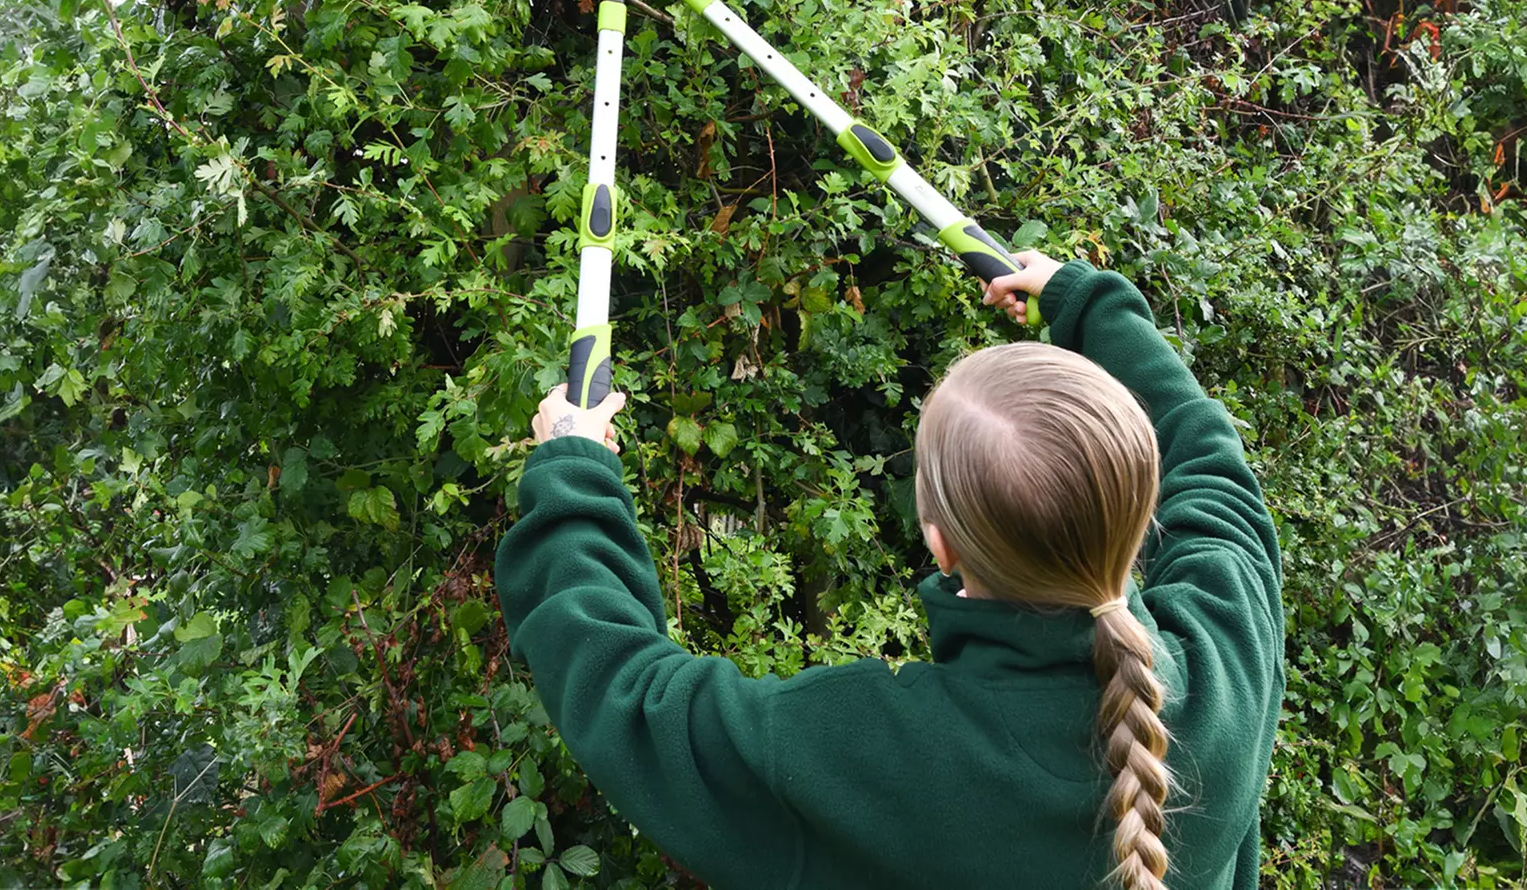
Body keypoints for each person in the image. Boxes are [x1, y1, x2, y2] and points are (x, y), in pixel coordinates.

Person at [495, 252, 1284, 889]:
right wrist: (1086, 303)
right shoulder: (1226, 656)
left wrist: (573, 468)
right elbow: (1207, 456)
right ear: (1140, 508)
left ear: (939, 546)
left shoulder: (873, 753)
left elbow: (632, 699)